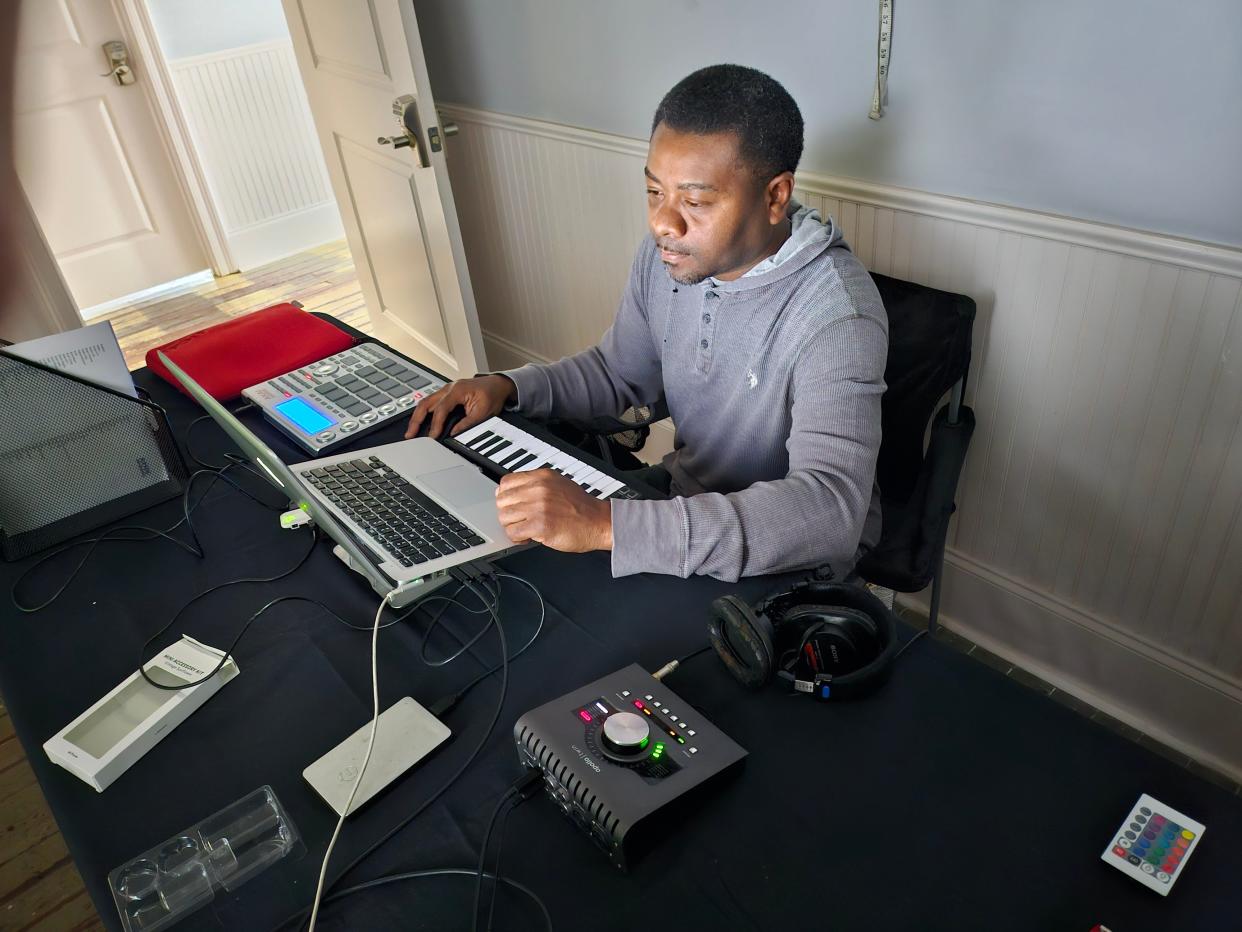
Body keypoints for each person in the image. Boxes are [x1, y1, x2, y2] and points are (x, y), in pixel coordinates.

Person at [406, 64, 887, 582]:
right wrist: (506, 387)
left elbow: (829, 511)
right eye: (655, 192)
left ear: (774, 197)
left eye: (696, 201)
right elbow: (618, 373)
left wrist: (607, 525)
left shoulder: (838, 315)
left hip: (789, 565)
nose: (663, 222)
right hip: (681, 505)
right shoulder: (673, 253)